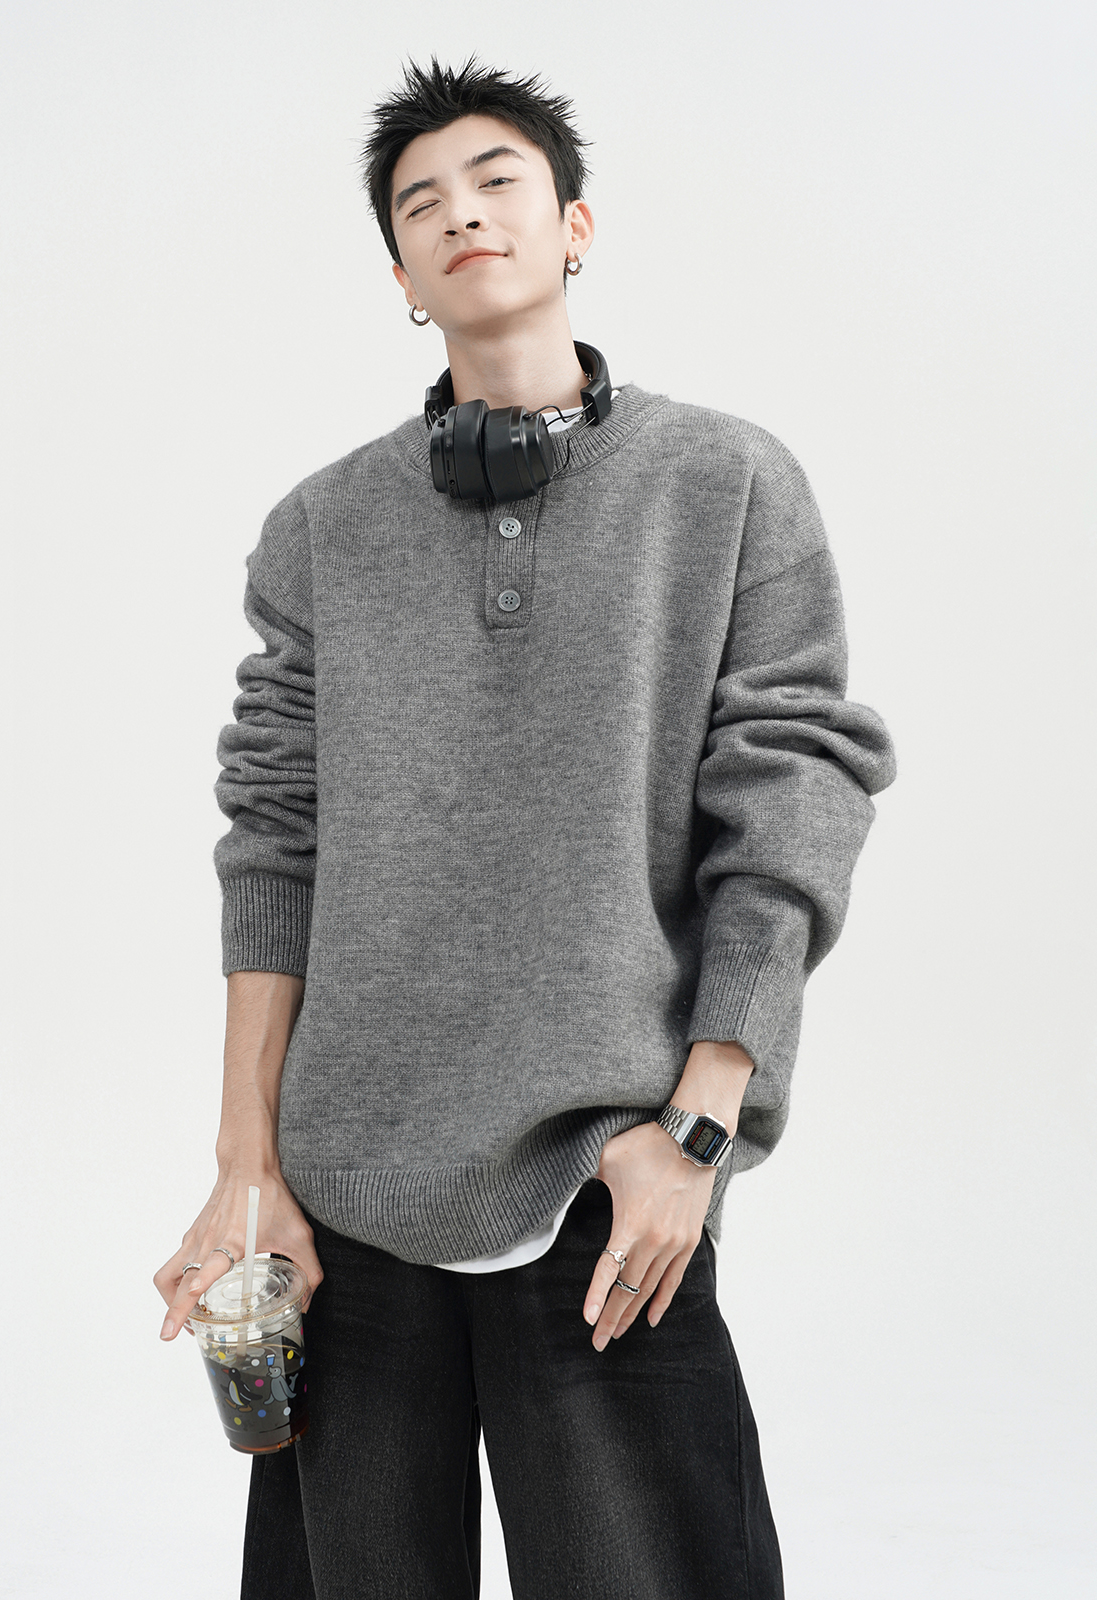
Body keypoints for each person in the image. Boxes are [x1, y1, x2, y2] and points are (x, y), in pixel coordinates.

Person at [154, 56, 896, 1600]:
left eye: (497, 181)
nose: (461, 214)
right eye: (420, 204)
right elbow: (272, 839)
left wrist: (698, 1131)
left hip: (604, 1171)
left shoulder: (727, 484)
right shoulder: (320, 528)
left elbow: (792, 808)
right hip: (349, 1185)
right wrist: (247, 1166)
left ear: (575, 226)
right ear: (402, 280)